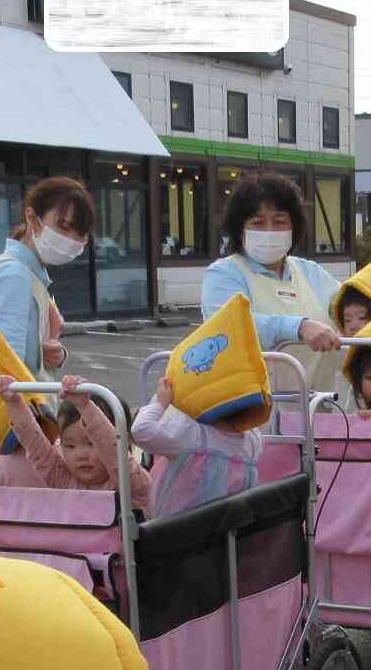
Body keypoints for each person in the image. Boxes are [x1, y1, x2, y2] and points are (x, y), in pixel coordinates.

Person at [0, 177, 94, 480]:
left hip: (0, 431)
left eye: (80, 233)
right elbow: (8, 371)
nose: (71, 240)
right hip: (10, 440)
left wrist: (53, 354)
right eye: (64, 226)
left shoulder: (17, 271)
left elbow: (11, 350)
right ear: (32, 217)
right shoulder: (14, 277)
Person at [200, 172, 344, 397]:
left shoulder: (310, 271)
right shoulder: (224, 274)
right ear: (240, 229)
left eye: (279, 221)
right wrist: (299, 327)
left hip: (318, 414)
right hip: (253, 420)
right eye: (258, 222)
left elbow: (356, 303)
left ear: (294, 226)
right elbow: (232, 325)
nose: (269, 231)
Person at [0, 373, 151, 507]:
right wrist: (13, 402)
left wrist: (86, 407)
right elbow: (35, 445)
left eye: (91, 443)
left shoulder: (130, 484)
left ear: (124, 442)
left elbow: (113, 452)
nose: (81, 455)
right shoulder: (62, 480)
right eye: (69, 446)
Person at [131, 374, 264, 519]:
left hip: (172, 528)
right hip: (221, 532)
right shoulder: (252, 441)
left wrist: (160, 402)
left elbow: (141, 429)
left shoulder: (192, 436)